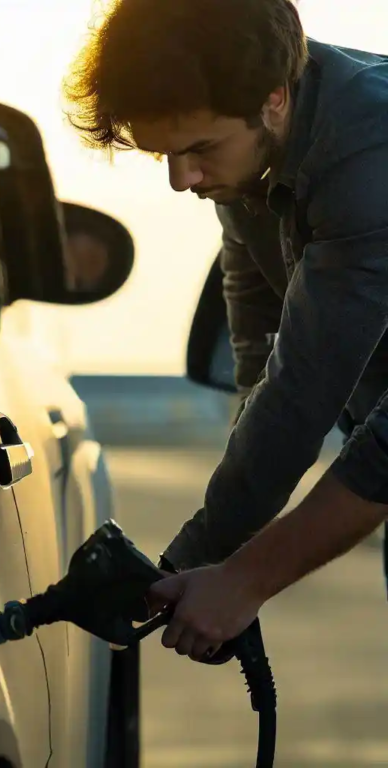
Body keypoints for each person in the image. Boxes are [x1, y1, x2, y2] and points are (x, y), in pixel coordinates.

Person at [63, 0, 388, 663]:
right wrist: (197, 566)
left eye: (199, 151)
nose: (182, 180)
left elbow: (303, 393)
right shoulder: (261, 145)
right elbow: (262, 342)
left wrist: (234, 574)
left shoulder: (370, 160)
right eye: (166, 157)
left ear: (273, 101)